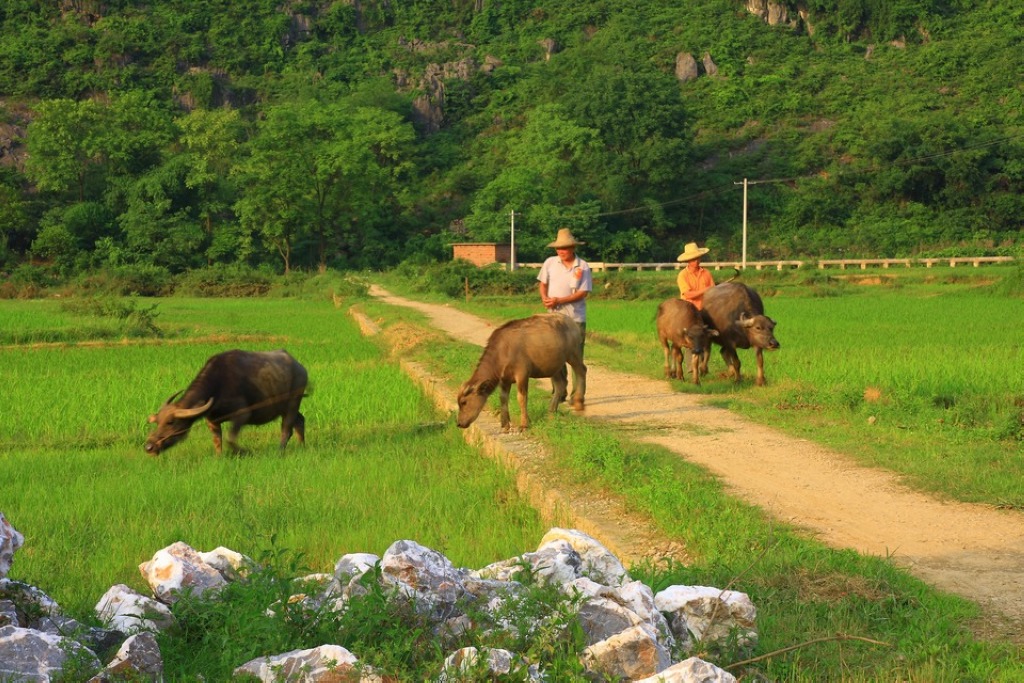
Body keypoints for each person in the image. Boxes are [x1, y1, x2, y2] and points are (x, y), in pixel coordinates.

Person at [538, 227, 592, 356]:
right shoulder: (549, 263)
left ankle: (579, 377)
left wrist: (559, 300)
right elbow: (543, 284)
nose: (560, 251)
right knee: (555, 358)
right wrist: (545, 298)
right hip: (554, 317)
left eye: (564, 248)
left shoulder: (582, 266)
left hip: (575, 318)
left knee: (576, 357)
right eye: (558, 248)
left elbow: (583, 293)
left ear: (573, 248)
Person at [676, 241, 715, 310]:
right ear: (688, 260)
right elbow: (688, 295)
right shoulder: (683, 275)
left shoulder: (706, 273)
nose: (696, 261)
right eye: (693, 259)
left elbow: (713, 290)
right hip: (689, 309)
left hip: (706, 308)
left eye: (697, 258)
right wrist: (706, 289)